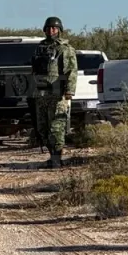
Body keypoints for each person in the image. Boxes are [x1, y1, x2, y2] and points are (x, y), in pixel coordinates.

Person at [31, 16, 78, 168]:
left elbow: (71, 71)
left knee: (56, 127)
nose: (51, 30)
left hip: (58, 94)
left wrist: (69, 91)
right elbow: (34, 71)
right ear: (44, 29)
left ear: (59, 30)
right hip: (41, 94)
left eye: (54, 28)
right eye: (49, 28)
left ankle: (57, 158)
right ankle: (52, 156)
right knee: (42, 129)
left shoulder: (65, 49)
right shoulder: (39, 48)